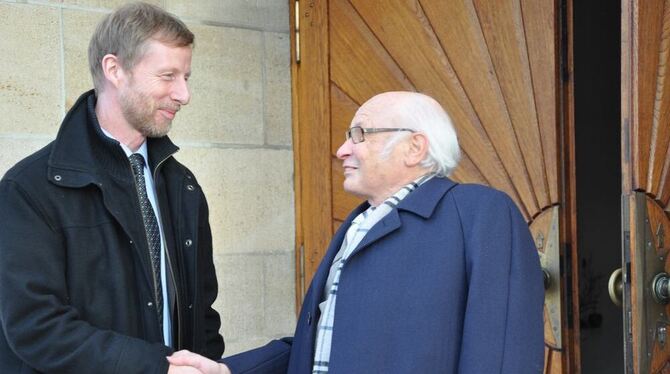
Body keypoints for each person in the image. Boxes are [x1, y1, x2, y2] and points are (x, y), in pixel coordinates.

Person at [168, 91, 545, 373]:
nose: (341, 149)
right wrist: (230, 370)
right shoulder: (359, 223)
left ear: (414, 147)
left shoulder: (480, 214)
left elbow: (502, 355)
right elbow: (321, 346)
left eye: (360, 134)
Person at [0, 2, 224, 373]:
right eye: (168, 76)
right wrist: (155, 367)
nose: (183, 94)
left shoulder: (182, 186)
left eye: (186, 77)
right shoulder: (28, 190)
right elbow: (35, 327)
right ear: (114, 69)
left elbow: (201, 312)